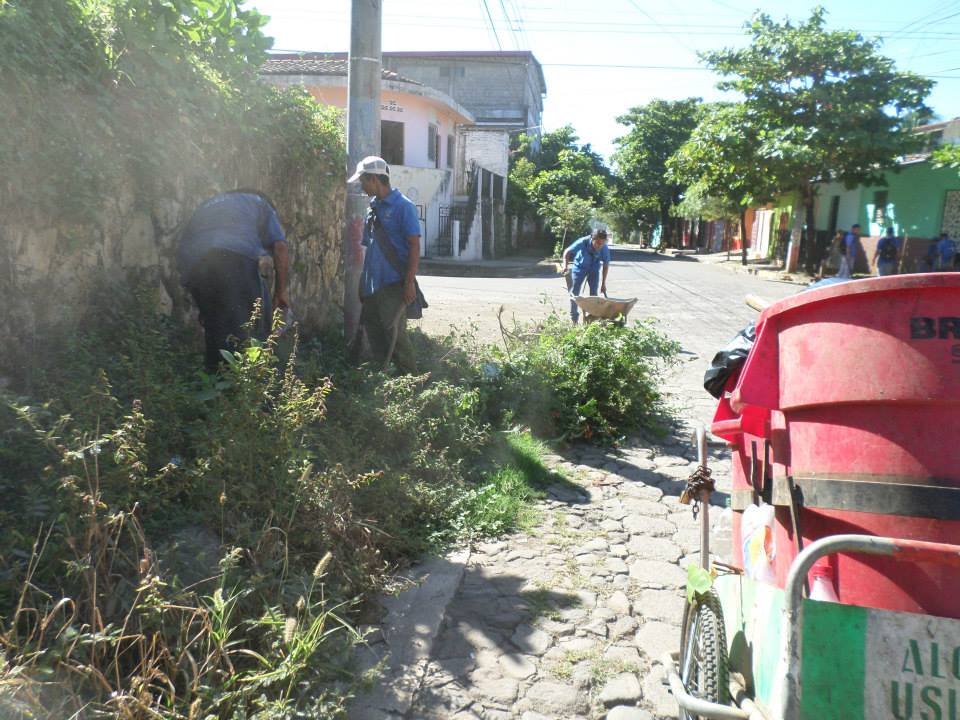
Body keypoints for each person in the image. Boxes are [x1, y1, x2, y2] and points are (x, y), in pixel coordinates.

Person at [178, 190, 289, 373]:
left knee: (216, 329)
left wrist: (206, 304)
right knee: (251, 326)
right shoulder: (261, 203)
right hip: (233, 258)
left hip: (195, 266)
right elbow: (280, 246)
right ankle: (252, 385)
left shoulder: (209, 204)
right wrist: (280, 291)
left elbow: (186, 250)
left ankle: (217, 385)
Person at [349, 155, 421, 373]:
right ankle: (385, 384)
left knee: (396, 339)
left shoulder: (403, 207)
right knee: (375, 336)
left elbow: (414, 247)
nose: (361, 186)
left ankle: (412, 383)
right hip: (372, 286)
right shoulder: (373, 207)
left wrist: (409, 284)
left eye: (362, 181)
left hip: (392, 284)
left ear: (374, 179)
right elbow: (369, 247)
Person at [563, 229, 611, 324]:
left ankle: (592, 319)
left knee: (594, 294)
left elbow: (606, 265)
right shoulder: (583, 242)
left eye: (602, 243)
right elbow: (567, 252)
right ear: (592, 239)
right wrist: (565, 266)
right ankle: (574, 319)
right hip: (579, 267)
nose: (599, 246)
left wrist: (603, 284)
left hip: (594, 268)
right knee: (575, 293)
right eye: (597, 243)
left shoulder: (604, 248)